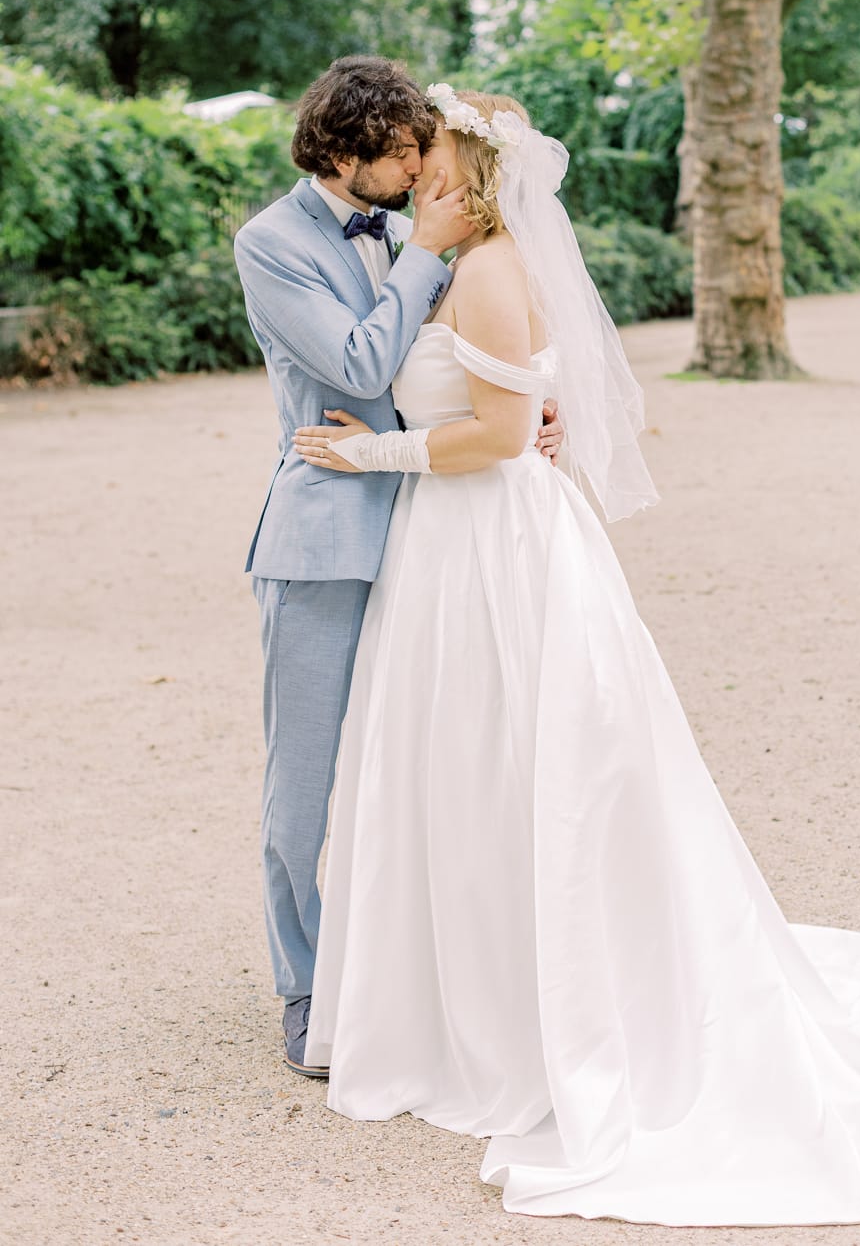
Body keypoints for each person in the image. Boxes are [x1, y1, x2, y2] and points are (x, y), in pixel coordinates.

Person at [290, 85, 860, 1227]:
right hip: (452, 557)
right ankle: (464, 990)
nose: (419, 172)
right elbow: (511, 404)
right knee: (460, 771)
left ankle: (536, 1013)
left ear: (470, 173)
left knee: (523, 769)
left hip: (493, 551)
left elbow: (504, 437)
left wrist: (379, 458)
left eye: (435, 158)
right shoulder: (458, 264)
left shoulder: (494, 270)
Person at [233, 57, 562, 1078]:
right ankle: (303, 985)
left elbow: (464, 357)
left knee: (424, 778)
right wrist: (424, 251)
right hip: (329, 541)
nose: (425, 170)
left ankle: (412, 979)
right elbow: (364, 367)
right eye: (404, 154)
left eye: (427, 148)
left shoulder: (432, 232)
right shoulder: (273, 244)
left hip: (437, 540)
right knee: (305, 790)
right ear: (343, 155)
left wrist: (528, 405)